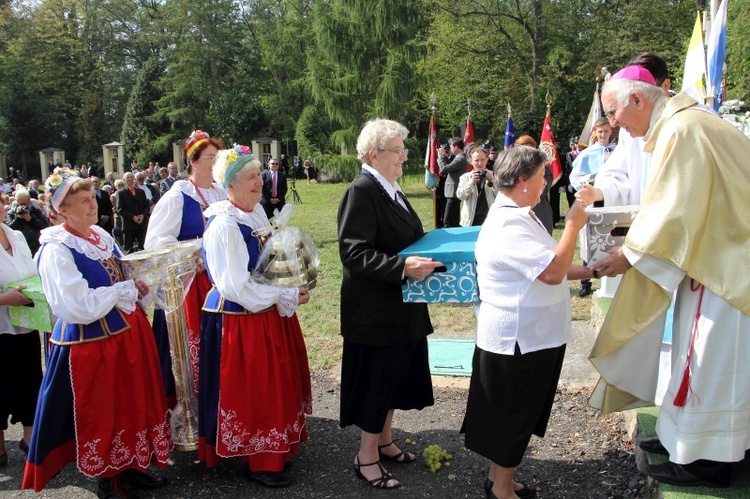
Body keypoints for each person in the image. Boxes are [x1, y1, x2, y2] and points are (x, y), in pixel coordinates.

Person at [588, 65, 750, 489]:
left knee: (711, 360)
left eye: (614, 111)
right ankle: (684, 439)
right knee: (692, 355)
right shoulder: (684, 122)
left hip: (725, 268)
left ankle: (709, 461)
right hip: (711, 256)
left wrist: (629, 254)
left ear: (637, 100)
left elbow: (674, 210)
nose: (612, 122)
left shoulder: (683, 129)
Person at [23, 168, 171, 496]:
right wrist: (121, 291)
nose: (93, 205)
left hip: (127, 334)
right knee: (104, 411)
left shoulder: (101, 237)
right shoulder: (56, 248)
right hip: (92, 345)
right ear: (62, 210)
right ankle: (109, 475)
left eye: (93, 198)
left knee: (133, 403)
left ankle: (134, 465)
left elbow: (123, 272)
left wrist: (140, 281)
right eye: (84, 201)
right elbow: (75, 305)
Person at [462, 147, 592, 499]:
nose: (546, 181)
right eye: (541, 176)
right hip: (517, 338)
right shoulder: (508, 222)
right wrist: (575, 225)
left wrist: (593, 269)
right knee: (513, 415)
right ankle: (501, 489)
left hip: (530, 336)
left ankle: (498, 478)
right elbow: (552, 272)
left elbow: (552, 261)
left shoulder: (522, 213)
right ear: (522, 180)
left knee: (517, 412)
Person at [198, 145, 312, 488]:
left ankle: (273, 450)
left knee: (272, 383)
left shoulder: (254, 212)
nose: (258, 182)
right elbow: (235, 285)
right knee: (256, 388)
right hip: (241, 318)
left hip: (263, 312)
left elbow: (264, 261)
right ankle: (259, 459)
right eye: (250, 177)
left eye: (258, 175)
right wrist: (285, 294)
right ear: (230, 185)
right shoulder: (224, 225)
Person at [338, 118, 443, 489]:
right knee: (377, 380)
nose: (404, 157)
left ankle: (383, 442)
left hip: (399, 305)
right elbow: (353, 253)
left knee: (394, 376)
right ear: (373, 154)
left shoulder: (391, 189)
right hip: (375, 311)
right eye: (397, 151)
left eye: (403, 149)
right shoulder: (362, 190)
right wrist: (402, 267)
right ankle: (365, 457)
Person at [145, 129, 226, 405]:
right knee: (186, 350)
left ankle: (217, 400)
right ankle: (185, 410)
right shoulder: (178, 196)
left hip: (221, 281)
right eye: (210, 157)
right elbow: (156, 242)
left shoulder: (222, 193)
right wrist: (197, 250)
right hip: (190, 286)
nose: (216, 162)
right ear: (193, 160)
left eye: (218, 157)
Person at [575, 53, 672, 208]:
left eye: (614, 111)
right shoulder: (631, 129)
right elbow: (617, 174)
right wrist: (600, 192)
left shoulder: (683, 125)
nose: (613, 124)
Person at [0, 201, 41, 469]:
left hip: (26, 323)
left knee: (29, 381)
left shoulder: (15, 234)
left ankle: (29, 438)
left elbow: (32, 272)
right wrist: (4, 298)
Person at [515, 135, 554, 235]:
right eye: (524, 150)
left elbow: (541, 191)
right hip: (518, 213)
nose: (528, 153)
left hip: (540, 212)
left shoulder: (545, 170)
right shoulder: (513, 171)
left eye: (531, 149)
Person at [569, 118, 614, 192]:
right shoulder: (586, 153)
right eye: (600, 132)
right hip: (594, 193)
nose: (603, 134)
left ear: (610, 131)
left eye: (606, 131)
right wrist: (592, 179)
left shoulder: (618, 150)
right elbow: (574, 178)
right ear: (595, 132)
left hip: (614, 193)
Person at [457, 147, 496, 226]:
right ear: (471, 161)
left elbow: (502, 195)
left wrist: (492, 180)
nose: (480, 163)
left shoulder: (495, 175)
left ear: (487, 160)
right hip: (471, 219)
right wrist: (471, 182)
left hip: (491, 218)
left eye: (482, 160)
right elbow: (460, 196)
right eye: (476, 160)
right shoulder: (465, 177)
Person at [7, 190, 49, 255]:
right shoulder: (11, 213)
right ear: (17, 202)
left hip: (37, 244)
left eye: (27, 203)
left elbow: (45, 225)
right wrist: (17, 219)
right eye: (22, 204)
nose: (25, 206)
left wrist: (32, 219)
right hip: (22, 246)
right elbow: (9, 229)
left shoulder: (35, 210)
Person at [116, 171, 149, 253]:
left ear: (134, 178)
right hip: (129, 225)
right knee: (129, 249)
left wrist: (142, 215)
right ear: (124, 180)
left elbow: (146, 206)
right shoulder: (121, 193)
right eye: (127, 177)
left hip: (142, 224)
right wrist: (133, 217)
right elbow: (120, 209)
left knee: (144, 248)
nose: (130, 179)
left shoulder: (141, 192)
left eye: (131, 177)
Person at [437, 137, 467, 227]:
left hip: (453, 192)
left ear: (456, 147)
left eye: (451, 147)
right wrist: (445, 158)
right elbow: (450, 165)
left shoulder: (460, 158)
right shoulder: (459, 157)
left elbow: (444, 169)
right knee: (454, 219)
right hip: (453, 192)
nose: (450, 149)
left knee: (448, 221)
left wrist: (441, 157)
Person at [550, 137, 578, 224]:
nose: (574, 145)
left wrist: (563, 183)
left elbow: (564, 169)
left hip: (562, 180)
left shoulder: (562, 155)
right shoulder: (565, 155)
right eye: (572, 144)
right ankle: (554, 218)